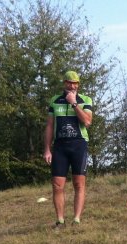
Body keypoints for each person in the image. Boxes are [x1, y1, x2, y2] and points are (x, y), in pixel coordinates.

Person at [43, 70, 93, 229]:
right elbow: (50, 126)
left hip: (79, 144)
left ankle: (77, 220)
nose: (72, 86)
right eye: (69, 82)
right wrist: (47, 149)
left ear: (78, 84)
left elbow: (87, 121)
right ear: (64, 83)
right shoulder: (54, 101)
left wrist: (73, 103)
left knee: (79, 184)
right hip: (60, 146)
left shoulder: (85, 100)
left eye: (75, 83)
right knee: (57, 185)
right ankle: (60, 221)